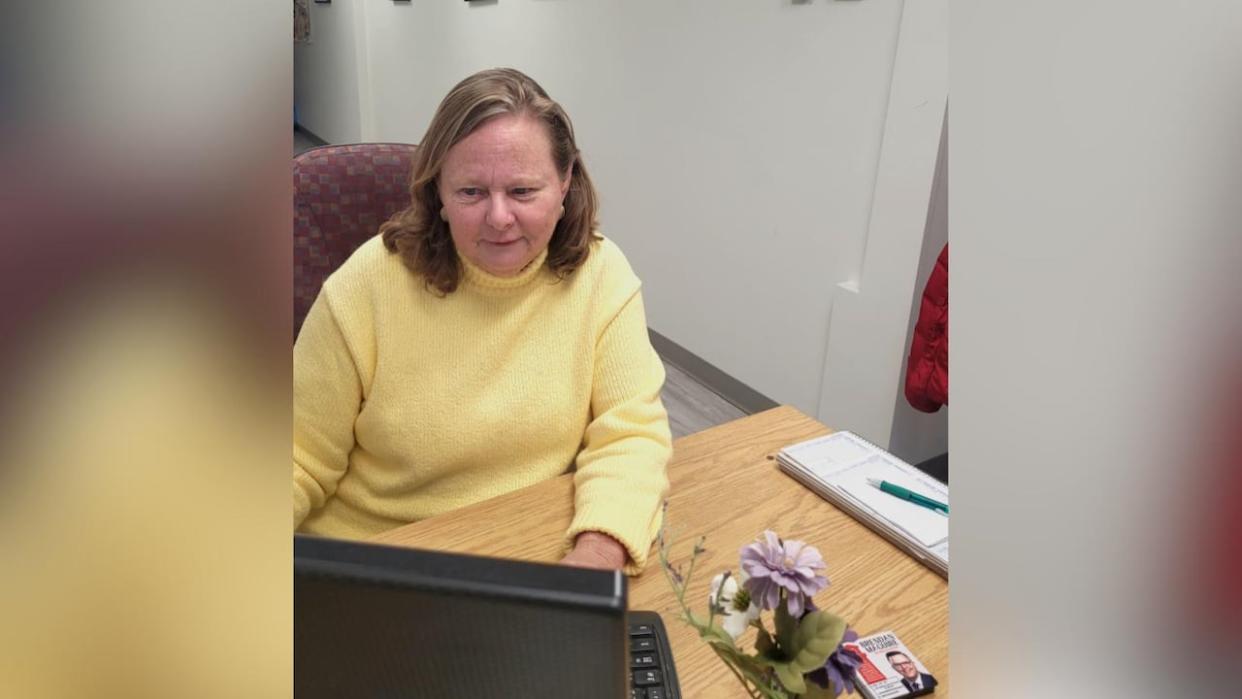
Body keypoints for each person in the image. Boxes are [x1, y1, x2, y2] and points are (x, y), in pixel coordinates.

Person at [293, 68, 672, 574]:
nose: (498, 218)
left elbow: (631, 435)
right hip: (375, 564)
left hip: (528, 552)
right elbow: (296, 455)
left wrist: (598, 553)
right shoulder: (367, 285)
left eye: (522, 191)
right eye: (471, 192)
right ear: (439, 196)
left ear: (564, 186)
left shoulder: (601, 275)